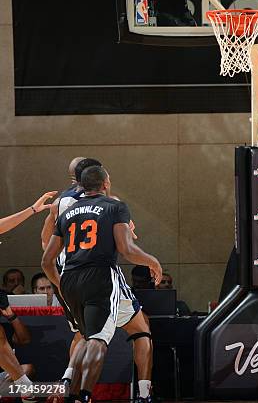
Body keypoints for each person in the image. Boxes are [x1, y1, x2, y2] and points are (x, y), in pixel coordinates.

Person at [42, 165, 162, 403]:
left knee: (86, 337)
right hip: (100, 276)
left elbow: (46, 260)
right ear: (106, 184)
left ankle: (70, 387)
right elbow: (127, 249)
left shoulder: (66, 211)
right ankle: (88, 395)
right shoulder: (115, 205)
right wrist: (153, 261)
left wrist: (62, 286)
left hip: (69, 279)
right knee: (101, 339)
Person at [0, 289, 35, 400]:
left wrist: (10, 315)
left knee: (28, 368)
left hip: (5, 377)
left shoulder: (4, 328)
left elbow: (25, 339)